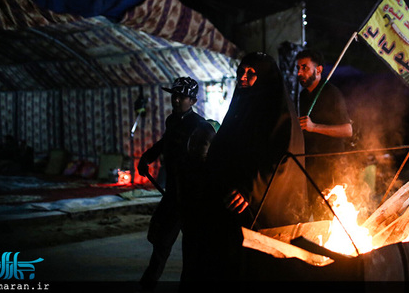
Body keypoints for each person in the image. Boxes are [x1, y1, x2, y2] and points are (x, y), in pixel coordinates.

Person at [192, 51, 307, 282]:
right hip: (230, 206)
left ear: (264, 77)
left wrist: (249, 189)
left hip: (261, 209)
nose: (243, 77)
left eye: (251, 73)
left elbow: (282, 158)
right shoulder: (242, 106)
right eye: (241, 72)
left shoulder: (279, 114)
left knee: (257, 272)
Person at [136, 76, 215, 292]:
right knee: (161, 241)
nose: (177, 100)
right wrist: (147, 157)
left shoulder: (202, 128)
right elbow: (165, 141)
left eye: (182, 97)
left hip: (192, 197)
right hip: (173, 193)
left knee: (191, 247)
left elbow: (211, 164)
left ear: (193, 101)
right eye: (175, 95)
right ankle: (149, 282)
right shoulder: (172, 121)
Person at [295, 49, 353, 213]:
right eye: (298, 68)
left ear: (318, 70)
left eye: (304, 68)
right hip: (310, 164)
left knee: (328, 214)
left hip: (331, 165)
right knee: (311, 211)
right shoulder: (303, 96)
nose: (300, 72)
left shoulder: (332, 93)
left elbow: (348, 130)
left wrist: (314, 127)